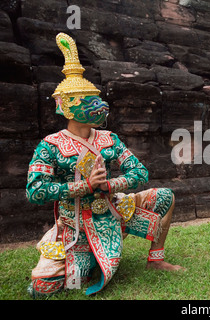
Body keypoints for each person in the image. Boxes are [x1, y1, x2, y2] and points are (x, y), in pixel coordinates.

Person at [26, 33, 184, 299]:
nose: (99, 106)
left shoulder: (108, 139)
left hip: (114, 212)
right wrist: (83, 187)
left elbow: (139, 172)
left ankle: (155, 258)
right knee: (44, 288)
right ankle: (85, 261)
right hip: (76, 225)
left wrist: (110, 184)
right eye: (88, 102)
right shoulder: (51, 145)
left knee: (165, 196)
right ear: (65, 107)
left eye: (97, 100)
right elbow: (35, 190)